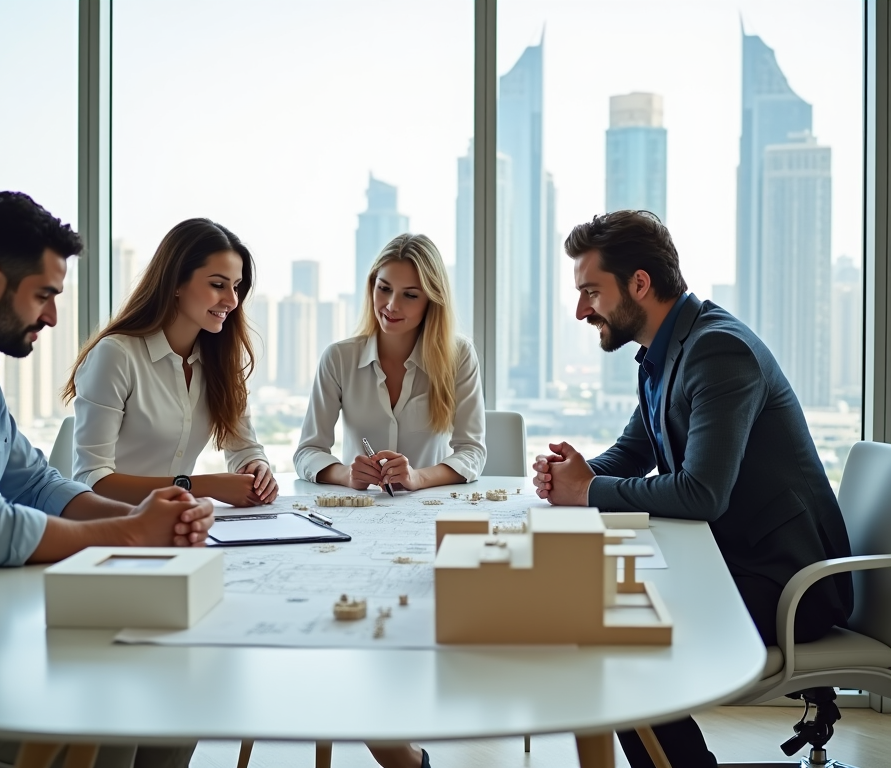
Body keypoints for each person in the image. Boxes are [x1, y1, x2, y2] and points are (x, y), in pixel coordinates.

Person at [0, 190, 213, 768]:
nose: (52, 316)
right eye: (45, 295)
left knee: (171, 695)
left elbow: (35, 484)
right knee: (116, 712)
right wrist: (132, 534)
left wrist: (146, 516)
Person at [532, 210, 853, 768]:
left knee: (623, 644)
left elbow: (701, 494)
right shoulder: (660, 355)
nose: (582, 310)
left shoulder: (718, 351)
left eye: (590, 291)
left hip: (788, 582)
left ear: (639, 283)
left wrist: (588, 490)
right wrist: (571, 474)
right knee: (606, 618)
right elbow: (631, 453)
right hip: (728, 565)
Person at [64, 218, 277, 508]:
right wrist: (203, 486)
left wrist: (256, 467)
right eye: (217, 285)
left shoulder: (220, 360)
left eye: (237, 287)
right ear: (176, 282)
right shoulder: (116, 355)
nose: (232, 300)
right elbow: (92, 480)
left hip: (176, 525)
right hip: (112, 528)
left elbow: (243, 447)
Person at [295, 233, 485, 493]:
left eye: (410, 295)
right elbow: (308, 451)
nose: (391, 305)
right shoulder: (338, 358)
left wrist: (417, 478)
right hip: (359, 511)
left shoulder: (459, 355)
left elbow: (472, 452)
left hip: (431, 510)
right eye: (384, 289)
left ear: (432, 300)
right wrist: (347, 475)